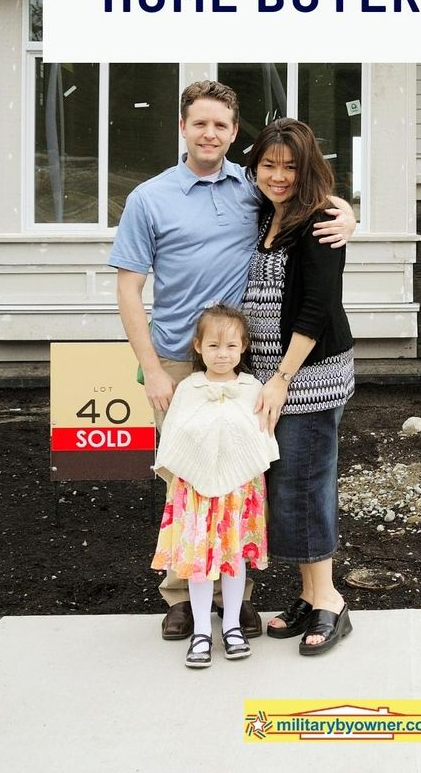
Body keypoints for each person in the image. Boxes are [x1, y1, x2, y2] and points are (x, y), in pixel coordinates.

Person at [108, 79, 355, 640]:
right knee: (186, 482)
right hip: (177, 360)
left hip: (247, 364)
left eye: (221, 125)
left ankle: (238, 594)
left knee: (246, 476)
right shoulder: (150, 197)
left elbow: (306, 195)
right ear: (182, 127)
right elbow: (128, 290)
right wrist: (150, 369)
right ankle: (182, 597)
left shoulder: (249, 188)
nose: (210, 133)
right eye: (200, 123)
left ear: (232, 131)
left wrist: (347, 214)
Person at [241, 118, 355, 657]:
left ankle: (330, 600)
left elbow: (316, 307)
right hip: (268, 376)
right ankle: (310, 595)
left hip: (306, 376)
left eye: (290, 166)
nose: (279, 175)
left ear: (307, 167)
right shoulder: (266, 212)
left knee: (305, 484)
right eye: (269, 164)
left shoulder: (322, 220)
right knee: (286, 486)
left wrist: (283, 378)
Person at [151, 304, 278, 668]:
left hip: (238, 494)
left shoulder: (252, 387)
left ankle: (233, 626)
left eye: (231, 347)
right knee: (199, 562)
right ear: (197, 346)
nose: (222, 355)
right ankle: (203, 631)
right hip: (196, 494)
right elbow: (176, 435)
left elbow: (259, 436)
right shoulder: (189, 388)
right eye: (213, 346)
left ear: (244, 347)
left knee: (234, 560)